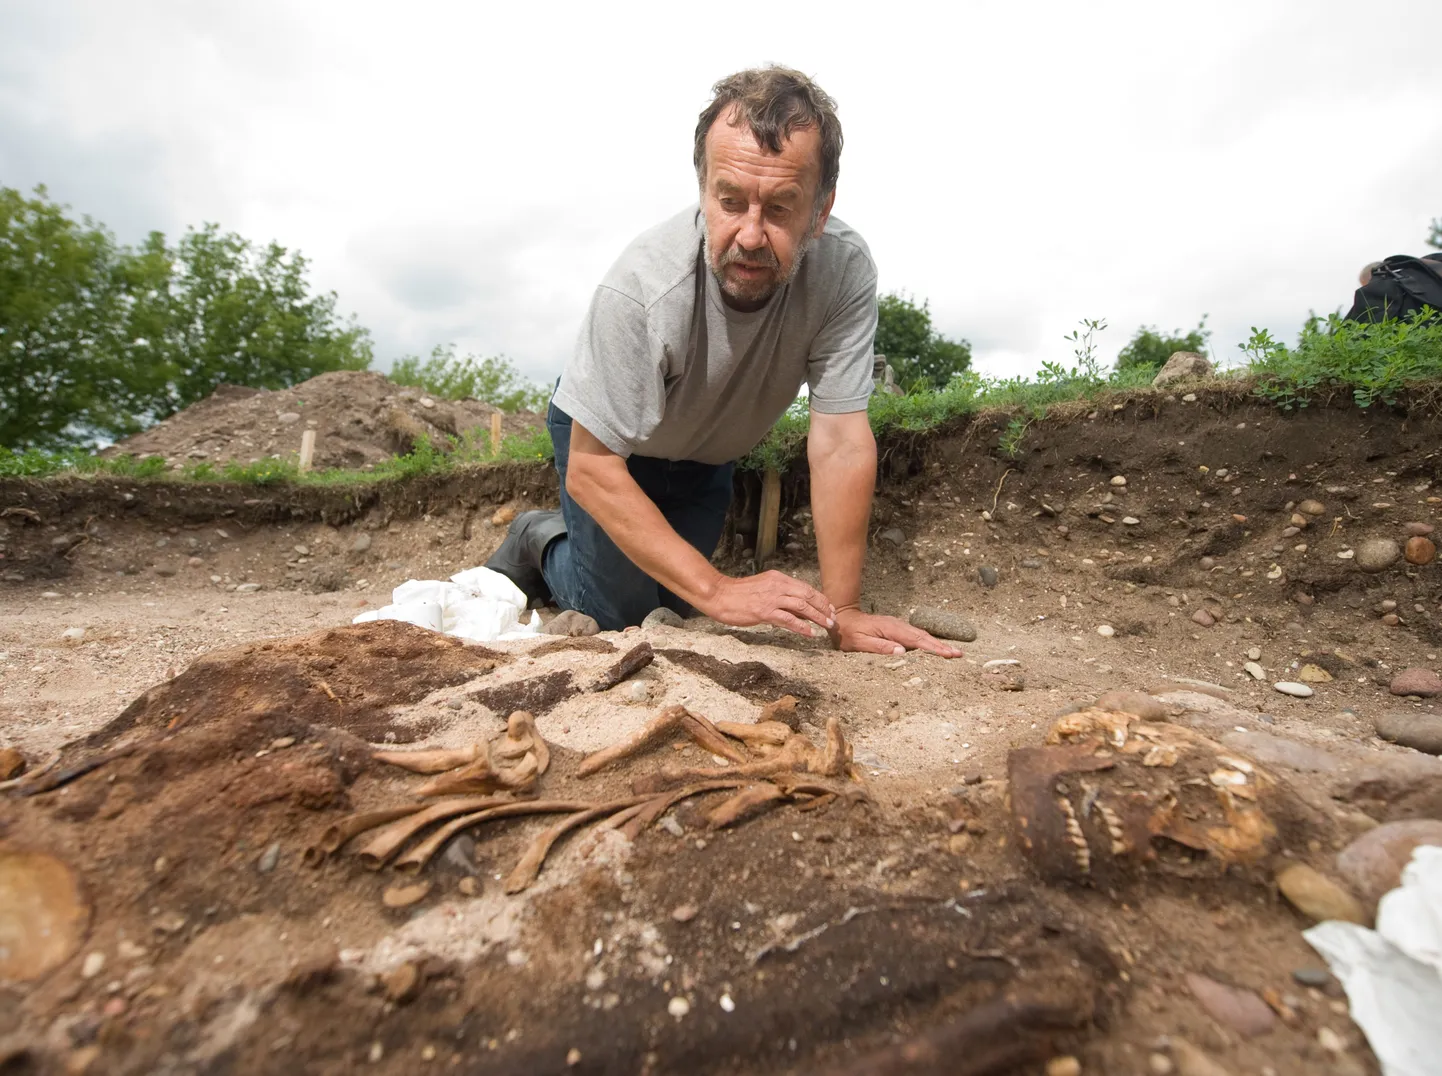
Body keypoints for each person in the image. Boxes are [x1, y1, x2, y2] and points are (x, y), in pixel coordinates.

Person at [486, 66, 961, 659]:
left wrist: (844, 614)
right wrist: (717, 588)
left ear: (820, 208)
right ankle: (539, 537)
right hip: (611, 443)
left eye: (782, 208)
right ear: (703, 187)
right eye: (730, 201)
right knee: (623, 615)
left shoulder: (843, 272)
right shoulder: (641, 289)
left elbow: (840, 439)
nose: (751, 235)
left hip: (706, 453)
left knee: (675, 605)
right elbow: (592, 467)